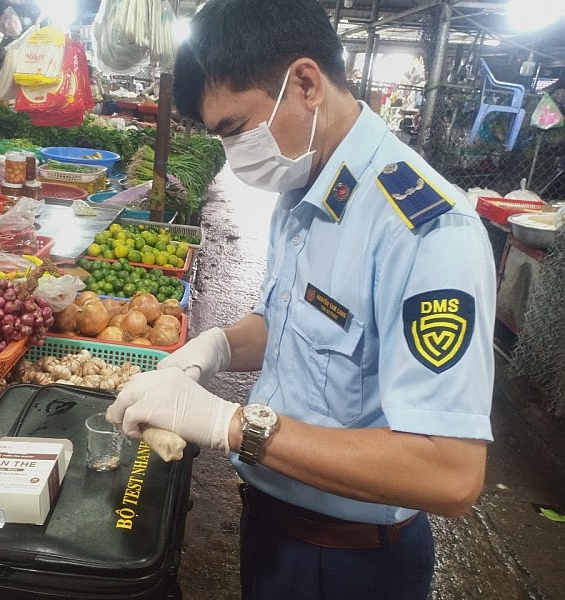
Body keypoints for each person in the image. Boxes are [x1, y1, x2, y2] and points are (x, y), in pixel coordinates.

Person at [106, 1, 496, 599]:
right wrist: (208, 350)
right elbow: (288, 320)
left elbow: (449, 471)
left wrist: (231, 424)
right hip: (273, 525)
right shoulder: (304, 186)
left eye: (235, 129)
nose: (234, 156)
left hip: (350, 564)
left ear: (306, 83)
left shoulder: (423, 229)